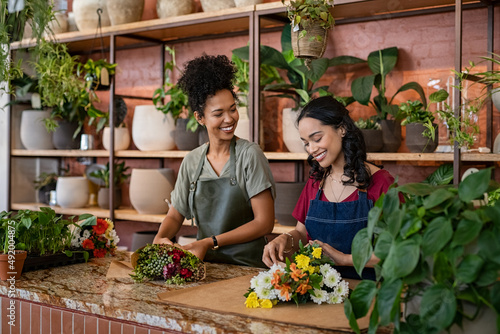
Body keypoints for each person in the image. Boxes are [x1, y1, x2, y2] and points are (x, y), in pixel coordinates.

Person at [153, 54, 276, 268]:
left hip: (248, 268)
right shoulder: (192, 161)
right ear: (200, 118)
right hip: (207, 267)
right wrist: (160, 239)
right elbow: (175, 215)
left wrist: (210, 242)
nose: (229, 119)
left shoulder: (250, 155)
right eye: (218, 113)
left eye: (232, 109)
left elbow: (264, 223)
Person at [262, 96, 395, 279]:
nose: (311, 149)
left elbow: (399, 250)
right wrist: (286, 239)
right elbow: (302, 232)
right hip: (317, 291)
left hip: (366, 292)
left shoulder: (381, 183)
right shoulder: (316, 182)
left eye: (317, 138)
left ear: (342, 129)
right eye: (306, 143)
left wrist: (345, 259)